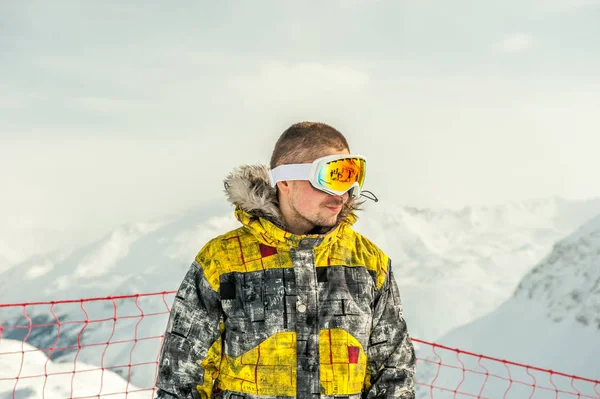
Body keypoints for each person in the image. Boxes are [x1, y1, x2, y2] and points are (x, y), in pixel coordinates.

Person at [155, 122, 416, 399]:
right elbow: (180, 382)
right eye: (331, 177)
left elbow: (394, 374)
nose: (343, 193)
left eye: (352, 176)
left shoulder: (368, 263)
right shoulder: (222, 261)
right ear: (285, 181)